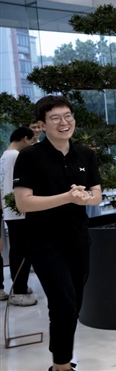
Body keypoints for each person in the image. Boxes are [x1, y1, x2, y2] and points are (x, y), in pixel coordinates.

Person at [13, 95, 102, 371]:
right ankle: (61, 365)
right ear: (42, 125)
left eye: (68, 116)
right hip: (44, 243)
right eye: (55, 118)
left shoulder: (85, 154)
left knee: (73, 304)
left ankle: (61, 358)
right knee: (63, 302)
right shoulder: (29, 157)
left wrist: (86, 198)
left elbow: (97, 194)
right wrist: (67, 197)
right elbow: (23, 202)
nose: (64, 122)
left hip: (78, 240)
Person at [0, 126, 37, 306]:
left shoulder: (3, 157)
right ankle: (19, 292)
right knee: (22, 252)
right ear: (25, 138)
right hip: (21, 210)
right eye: (32, 141)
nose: (31, 145)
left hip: (10, 210)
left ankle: (19, 287)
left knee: (17, 250)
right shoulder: (17, 156)